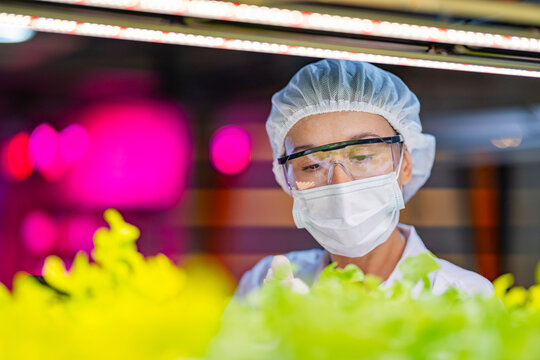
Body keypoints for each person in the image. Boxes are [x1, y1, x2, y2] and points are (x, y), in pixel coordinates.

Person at [235, 59, 494, 298]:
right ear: (287, 180)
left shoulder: (464, 297)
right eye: (312, 165)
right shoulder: (264, 285)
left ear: (405, 163)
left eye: (362, 156)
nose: (340, 184)